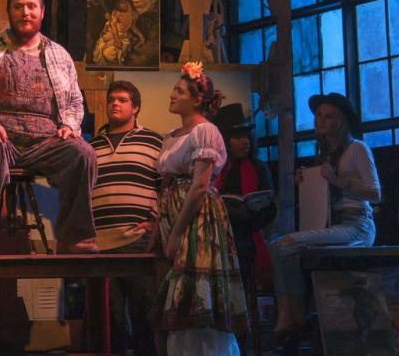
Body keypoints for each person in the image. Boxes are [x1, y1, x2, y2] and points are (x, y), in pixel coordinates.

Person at [0, 0, 97, 256]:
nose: (25, 12)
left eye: (31, 6)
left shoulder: (59, 55)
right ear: (9, 12)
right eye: (18, 6)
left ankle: (73, 237)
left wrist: (68, 125)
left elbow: (75, 101)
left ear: (42, 12)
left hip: (46, 142)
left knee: (82, 153)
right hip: (1, 137)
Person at [269, 93, 380, 347]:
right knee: (279, 245)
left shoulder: (357, 149)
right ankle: (292, 313)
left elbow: (375, 193)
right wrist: (307, 181)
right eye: (318, 115)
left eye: (328, 116)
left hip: (357, 225)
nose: (321, 121)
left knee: (284, 244)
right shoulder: (325, 154)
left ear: (340, 121)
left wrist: (335, 180)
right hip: (333, 224)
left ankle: (292, 316)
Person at [153, 62, 248, 356]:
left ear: (197, 100)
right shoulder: (170, 135)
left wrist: (176, 234)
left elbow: (198, 186)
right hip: (172, 212)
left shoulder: (205, 132)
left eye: (179, 91)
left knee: (194, 288)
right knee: (175, 296)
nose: (171, 95)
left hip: (197, 219)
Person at [88, 80, 161, 355]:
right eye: (111, 100)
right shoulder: (91, 145)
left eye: (121, 99)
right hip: (100, 242)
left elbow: (166, 183)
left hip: (138, 240)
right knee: (111, 319)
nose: (114, 104)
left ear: (136, 107)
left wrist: (155, 222)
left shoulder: (154, 141)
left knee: (145, 312)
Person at [213, 103, 276, 290]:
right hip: (219, 232)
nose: (246, 141)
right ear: (225, 141)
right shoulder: (216, 169)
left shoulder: (259, 168)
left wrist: (249, 215)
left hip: (247, 232)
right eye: (238, 137)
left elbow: (270, 209)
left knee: (242, 248)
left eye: (247, 136)